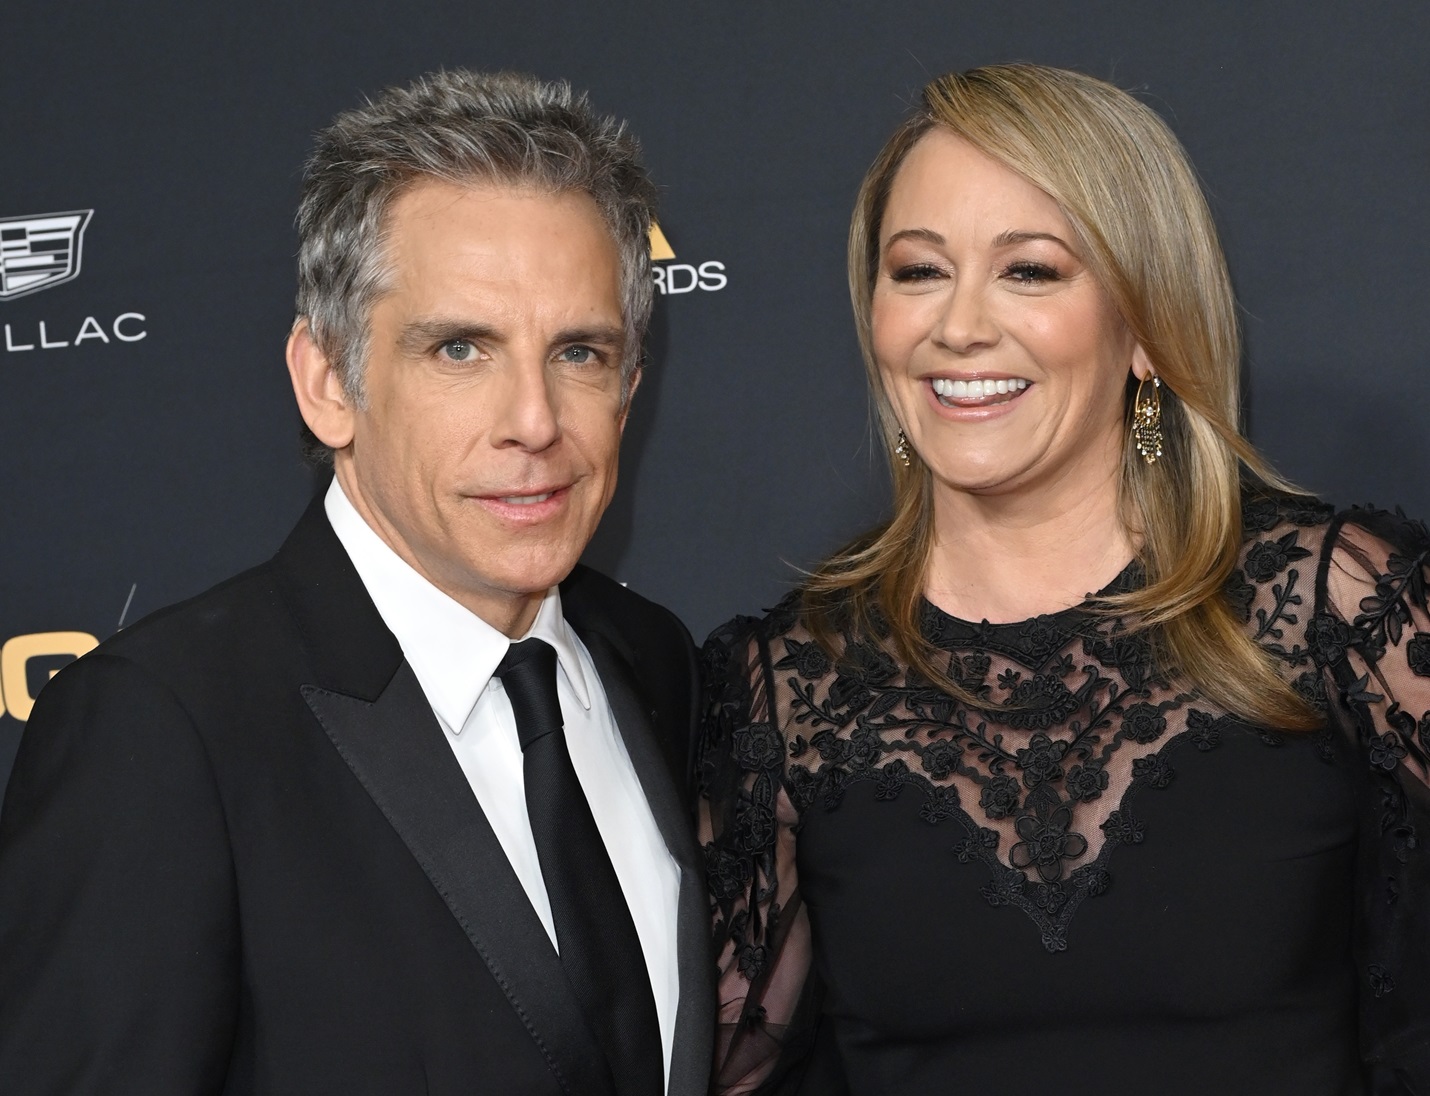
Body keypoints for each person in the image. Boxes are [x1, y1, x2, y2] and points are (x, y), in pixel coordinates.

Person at [699, 63, 1430, 1095]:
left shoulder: (1337, 609)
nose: (956, 325)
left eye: (1028, 271)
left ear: (1142, 326)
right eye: (915, 271)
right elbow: (720, 1065)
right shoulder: (782, 684)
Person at [0, 70, 714, 1096]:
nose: (534, 419)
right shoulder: (161, 730)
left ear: (630, 384)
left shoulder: (650, 660)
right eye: (459, 348)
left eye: (579, 351)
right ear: (327, 382)